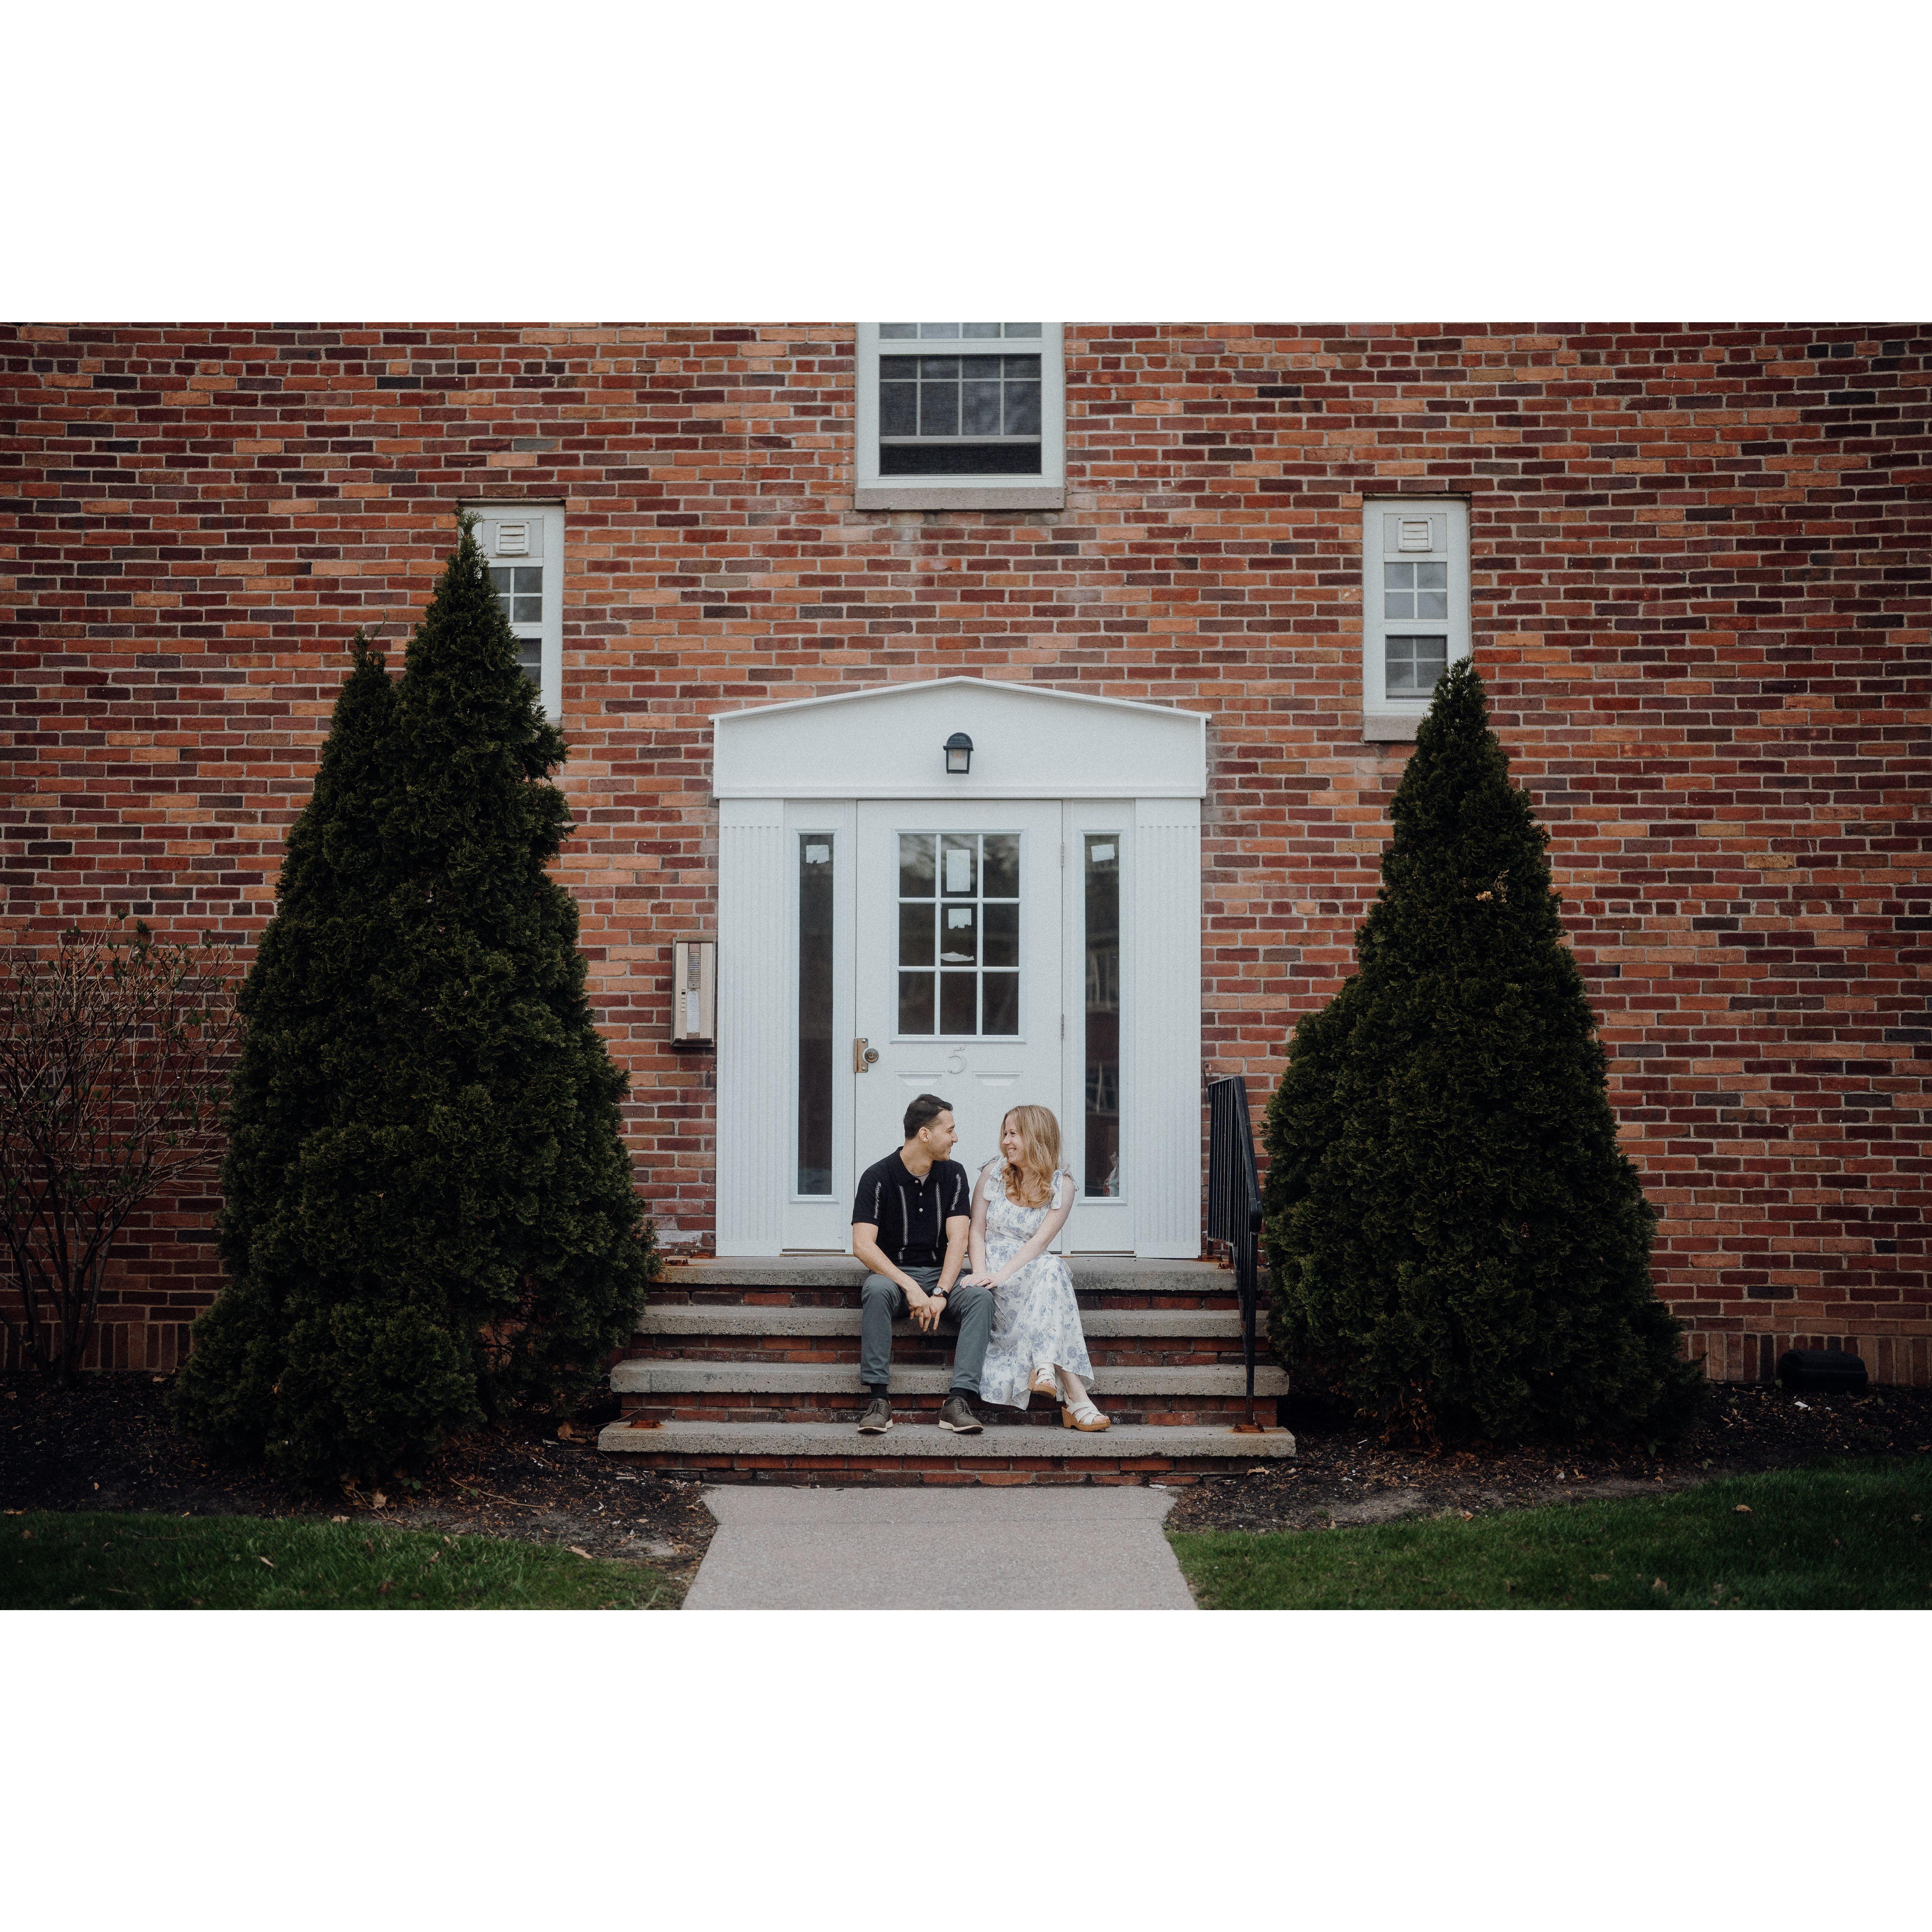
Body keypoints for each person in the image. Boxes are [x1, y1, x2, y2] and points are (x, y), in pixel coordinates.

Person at [850, 1093, 990, 1436]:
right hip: (895, 1277)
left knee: (981, 1298)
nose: (956, 1138)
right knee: (876, 1289)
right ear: (925, 1134)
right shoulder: (877, 1177)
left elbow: (959, 1240)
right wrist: (910, 1286)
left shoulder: (954, 1174)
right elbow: (862, 1245)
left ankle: (958, 1401)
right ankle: (879, 1401)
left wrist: (941, 1291)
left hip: (944, 1275)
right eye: (951, 1130)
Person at [963, 1104, 1110, 1430]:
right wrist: (984, 1271)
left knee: (1051, 1267)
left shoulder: (1063, 1186)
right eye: (1005, 1133)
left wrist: (1004, 1274)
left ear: (1036, 1137)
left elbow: (1038, 1244)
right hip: (993, 1275)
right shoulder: (993, 1173)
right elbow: (976, 1229)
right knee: (1053, 1271)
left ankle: (1047, 1370)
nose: (1006, 1141)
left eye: (1014, 1134)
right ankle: (1071, 1393)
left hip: (1026, 1272)